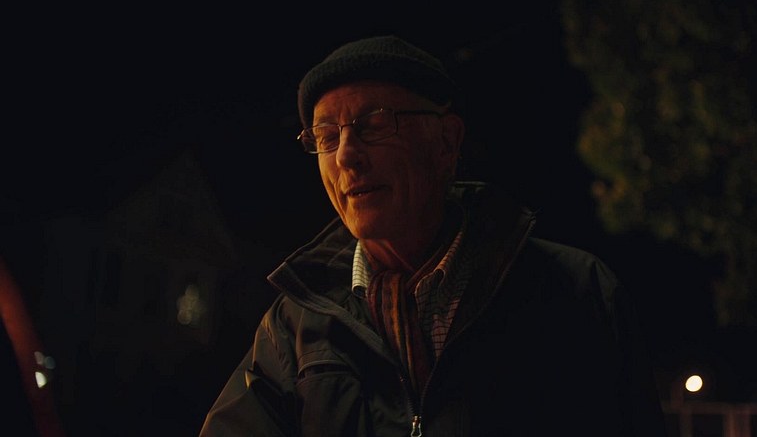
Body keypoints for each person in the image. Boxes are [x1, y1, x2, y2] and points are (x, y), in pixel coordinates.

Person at [200, 35, 667, 436]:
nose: (345, 156)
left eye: (373, 125)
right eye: (326, 137)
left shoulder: (576, 291)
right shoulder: (295, 324)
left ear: (446, 142)